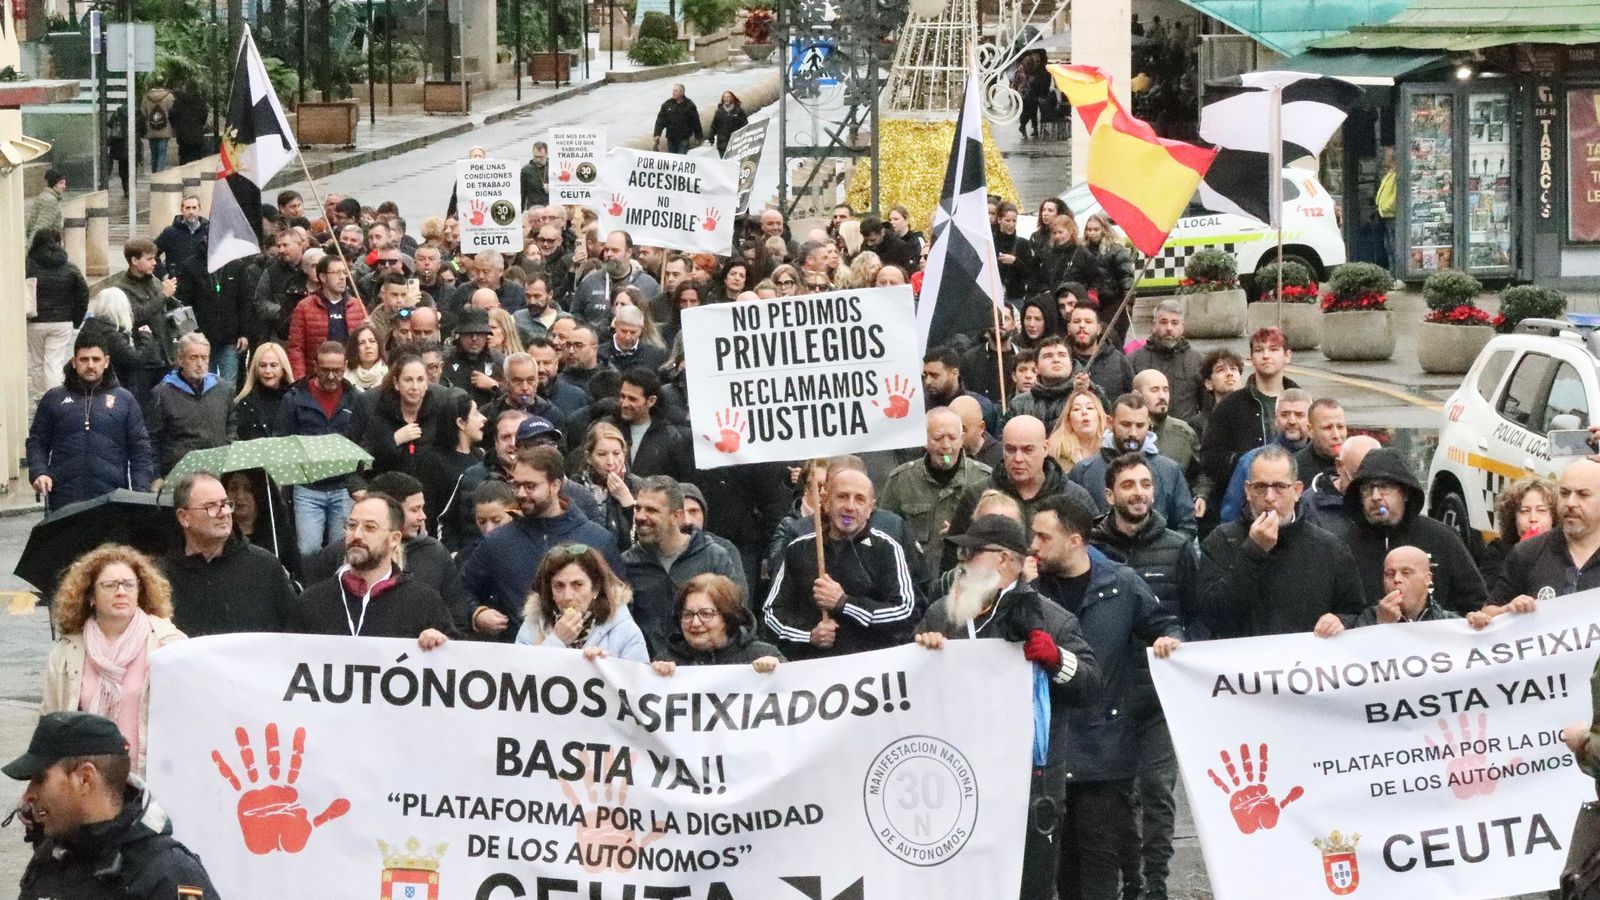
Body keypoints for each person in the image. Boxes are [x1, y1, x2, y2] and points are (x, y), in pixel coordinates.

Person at [914, 513, 1103, 900]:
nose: (962, 562)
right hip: (958, 781)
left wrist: (1057, 660)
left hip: (1031, 787)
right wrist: (922, 654)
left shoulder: (1052, 619)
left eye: (971, 553)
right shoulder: (941, 615)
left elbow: (1090, 686)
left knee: (1028, 889)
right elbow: (912, 690)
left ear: (1003, 559)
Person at [1024, 495, 1181, 900]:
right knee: (1059, 869)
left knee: (1100, 866)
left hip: (1105, 751)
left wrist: (1170, 639)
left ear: (1074, 540)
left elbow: (1163, 623)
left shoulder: (1121, 584)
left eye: (1043, 537)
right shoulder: (1030, 593)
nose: (1033, 545)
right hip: (1049, 751)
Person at [7, 711, 220, 898]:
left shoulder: (167, 874)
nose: (28, 795)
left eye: (39, 779)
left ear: (85, 779)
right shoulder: (51, 857)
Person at [41, 546, 185, 776]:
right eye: (109, 585)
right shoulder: (66, 653)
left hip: (151, 777)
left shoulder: (169, 644)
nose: (121, 592)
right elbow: (50, 721)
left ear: (140, 591)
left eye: (129, 584)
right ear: (90, 596)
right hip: (87, 780)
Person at [1197, 445, 1365, 638]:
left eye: (1279, 487)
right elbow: (1210, 616)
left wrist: (1341, 621)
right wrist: (1253, 551)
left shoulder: (1330, 548)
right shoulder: (1222, 541)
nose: (1269, 498)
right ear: (1248, 490)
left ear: (1297, 490)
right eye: (1260, 487)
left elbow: (1356, 614)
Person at [462, 446, 623, 640]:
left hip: (588, 652)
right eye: (516, 485)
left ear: (555, 486)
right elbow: (460, 592)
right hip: (519, 652)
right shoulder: (498, 542)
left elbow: (620, 603)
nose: (521, 493)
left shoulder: (597, 539)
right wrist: (477, 614)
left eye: (530, 486)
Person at [763, 466, 918, 659]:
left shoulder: (887, 549)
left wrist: (844, 603)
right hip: (814, 667)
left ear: (870, 509)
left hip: (872, 666)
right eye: (842, 497)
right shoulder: (799, 549)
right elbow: (771, 614)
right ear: (826, 502)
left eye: (859, 499)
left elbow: (905, 613)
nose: (850, 507)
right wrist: (809, 635)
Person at [1333, 447, 1486, 614]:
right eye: (1367, 489)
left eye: (1384, 487)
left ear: (1405, 493)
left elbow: (1475, 601)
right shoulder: (1344, 547)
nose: (1375, 497)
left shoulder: (1441, 538)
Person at [289, 494, 453, 647]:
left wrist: (442, 644)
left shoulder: (424, 603)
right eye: (352, 525)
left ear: (394, 539)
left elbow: (456, 657)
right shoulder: (312, 601)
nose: (356, 535)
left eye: (370, 527)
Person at [27, 334, 154, 511]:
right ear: (74, 362)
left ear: (106, 362)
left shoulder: (125, 400)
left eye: (96, 359)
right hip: (64, 501)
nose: (90, 365)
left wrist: (141, 493)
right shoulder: (53, 399)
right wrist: (39, 472)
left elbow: (140, 449)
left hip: (112, 500)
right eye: (84, 360)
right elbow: (37, 442)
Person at [161, 471, 296, 636]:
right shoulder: (161, 578)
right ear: (184, 517)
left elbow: (294, 630)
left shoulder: (265, 567)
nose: (224, 512)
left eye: (225, 504)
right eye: (211, 506)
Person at [623, 476, 747, 653]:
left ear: (677, 516)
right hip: (648, 667)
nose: (640, 516)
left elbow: (737, 618)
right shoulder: (626, 564)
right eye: (638, 508)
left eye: (651, 510)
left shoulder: (714, 557)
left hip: (704, 664)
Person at [880, 407, 994, 579]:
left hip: (967, 581)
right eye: (938, 438)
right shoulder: (902, 480)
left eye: (952, 438)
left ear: (962, 439)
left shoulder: (984, 479)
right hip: (917, 583)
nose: (946, 446)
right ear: (924, 440)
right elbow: (885, 534)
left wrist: (965, 533)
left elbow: (997, 536)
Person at [1197, 328, 1298, 509]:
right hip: (1245, 504)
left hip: (1293, 500)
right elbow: (1210, 459)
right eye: (1259, 350)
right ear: (1251, 358)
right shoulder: (1229, 406)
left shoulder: (1302, 402)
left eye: (1273, 349)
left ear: (1287, 356)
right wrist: (1247, 463)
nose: (1266, 355)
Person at [1069, 393, 1196, 534]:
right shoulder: (1083, 471)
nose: (1133, 433)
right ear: (1110, 423)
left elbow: (1186, 525)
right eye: (1126, 425)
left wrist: (1166, 546)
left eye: (1140, 425)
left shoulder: (1169, 470)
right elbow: (1071, 527)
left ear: (1149, 424)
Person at [1490, 459, 1600, 607]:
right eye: (1564, 493)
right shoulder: (1527, 552)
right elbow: (1489, 612)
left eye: (1583, 494)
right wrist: (1508, 610)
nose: (1571, 503)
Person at [516, 543, 649, 662]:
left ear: (595, 588)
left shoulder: (624, 629)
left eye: (577, 585)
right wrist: (556, 640)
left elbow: (637, 679)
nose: (567, 596)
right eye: (559, 586)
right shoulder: (533, 625)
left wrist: (603, 665)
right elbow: (518, 674)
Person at [144, 333, 234, 477]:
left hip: (216, 471)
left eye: (204, 358)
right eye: (193, 358)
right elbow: (151, 440)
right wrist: (156, 476)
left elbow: (231, 428)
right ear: (180, 360)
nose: (200, 364)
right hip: (178, 474)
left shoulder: (223, 389)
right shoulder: (162, 394)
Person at [652, 574, 782, 673]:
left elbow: (790, 691)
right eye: (687, 614)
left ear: (728, 616)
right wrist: (655, 677)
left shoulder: (762, 654)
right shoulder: (667, 660)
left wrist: (779, 672)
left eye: (706, 614)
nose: (695, 623)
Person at [1218, 388, 1313, 523]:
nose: (1292, 421)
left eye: (1299, 415)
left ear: (1311, 421)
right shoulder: (1251, 460)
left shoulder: (1324, 460)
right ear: (1275, 420)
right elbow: (1231, 514)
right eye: (1285, 415)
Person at [358, 351, 456, 477]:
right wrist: (394, 440)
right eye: (408, 380)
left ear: (427, 384)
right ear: (396, 383)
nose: (415, 387)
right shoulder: (380, 416)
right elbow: (365, 464)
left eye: (420, 380)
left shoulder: (440, 415)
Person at [25, 227, 88, 406]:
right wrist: (76, 319)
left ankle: (42, 396)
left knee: (37, 362)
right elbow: (83, 294)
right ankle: (55, 398)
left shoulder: (28, 265)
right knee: (53, 362)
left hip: (35, 320)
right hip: (62, 321)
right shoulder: (70, 267)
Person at [288, 255, 367, 380]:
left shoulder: (357, 306)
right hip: (317, 377)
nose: (342, 277)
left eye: (344, 272)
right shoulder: (304, 307)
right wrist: (300, 380)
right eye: (336, 273)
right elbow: (296, 348)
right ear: (323, 277)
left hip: (351, 377)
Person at [1127, 300, 1204, 424]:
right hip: (1145, 430)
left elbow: (1206, 407)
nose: (1169, 328)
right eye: (1163, 322)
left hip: (1186, 431)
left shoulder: (1198, 361)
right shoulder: (1133, 360)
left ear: (1182, 327)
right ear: (1154, 326)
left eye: (1174, 323)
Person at [607, 367, 691, 481]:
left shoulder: (671, 437)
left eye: (632, 399)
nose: (624, 404)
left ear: (651, 401)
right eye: (622, 396)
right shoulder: (607, 428)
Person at [571, 422, 641, 551]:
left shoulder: (638, 486)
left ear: (624, 453)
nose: (610, 462)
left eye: (616, 453)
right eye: (602, 454)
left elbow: (647, 536)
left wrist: (628, 502)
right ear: (589, 457)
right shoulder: (574, 488)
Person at [1478, 476, 1557, 586]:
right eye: (1524, 511)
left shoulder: (1563, 554)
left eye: (1541, 510)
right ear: (1513, 518)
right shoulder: (1498, 552)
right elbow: (1491, 590)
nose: (1533, 518)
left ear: (1553, 517)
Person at [1065, 301, 1134, 403]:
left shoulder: (1118, 360)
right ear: (1068, 328)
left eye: (1088, 321)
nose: (1082, 325)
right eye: (1076, 321)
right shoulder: (1060, 360)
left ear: (1099, 329)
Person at [1132, 368, 1197, 474]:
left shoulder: (1184, 432)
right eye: (1154, 390)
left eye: (1165, 390)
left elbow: (1200, 475)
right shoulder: (1127, 432)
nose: (1162, 396)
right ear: (1137, 395)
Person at [1009, 336, 1076, 426]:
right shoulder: (1018, 405)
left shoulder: (1085, 397)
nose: (1056, 360)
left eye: (1062, 355)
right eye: (1048, 356)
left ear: (1071, 364)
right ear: (1037, 367)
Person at [233, 342, 292, 440]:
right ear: (256, 369)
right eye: (263, 365)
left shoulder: (295, 401)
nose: (268, 371)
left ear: (283, 369)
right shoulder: (246, 403)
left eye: (273, 365)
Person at [1046, 389, 1109, 471]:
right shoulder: (1056, 452)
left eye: (1090, 408)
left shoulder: (1111, 448)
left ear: (1100, 417)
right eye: (1076, 409)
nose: (1084, 412)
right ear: (1068, 420)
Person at [1296, 398, 1348, 487]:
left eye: (1340, 427)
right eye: (1327, 428)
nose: (1336, 435)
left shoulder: (1356, 464)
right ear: (1310, 430)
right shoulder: (1295, 468)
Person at [154, 195, 209, 276]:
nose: (191, 211)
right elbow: (151, 254)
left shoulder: (208, 232)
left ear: (199, 209)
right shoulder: (170, 233)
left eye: (194, 208)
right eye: (187, 208)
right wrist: (163, 275)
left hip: (202, 280)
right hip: (177, 280)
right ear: (182, 210)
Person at [653, 83, 703, 154]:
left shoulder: (689, 105)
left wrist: (698, 136)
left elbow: (695, 121)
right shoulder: (667, 104)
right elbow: (660, 120)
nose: (673, 93)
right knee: (673, 157)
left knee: (681, 157)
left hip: (683, 138)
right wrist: (657, 134)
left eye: (675, 91)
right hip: (671, 138)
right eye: (673, 91)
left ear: (682, 92)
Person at [140, 81, 176, 172]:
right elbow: (173, 112)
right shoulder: (169, 96)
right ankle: (159, 175)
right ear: (163, 84)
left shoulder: (146, 96)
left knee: (154, 154)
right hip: (164, 129)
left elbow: (143, 113)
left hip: (151, 128)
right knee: (162, 153)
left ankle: (154, 173)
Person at [24, 169, 66, 243]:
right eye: (61, 183)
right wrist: (32, 244)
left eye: (64, 183)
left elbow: (32, 224)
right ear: (54, 184)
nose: (64, 186)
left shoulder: (44, 196)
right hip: (46, 244)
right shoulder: (50, 201)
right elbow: (42, 225)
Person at [346, 323, 388, 391]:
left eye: (372, 341)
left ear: (379, 345)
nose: (368, 346)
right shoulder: (345, 375)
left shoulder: (389, 374)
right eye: (361, 343)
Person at [709, 91, 749, 156]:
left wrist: (744, 137)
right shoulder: (719, 112)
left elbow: (745, 125)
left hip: (735, 142)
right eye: (724, 97)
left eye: (728, 97)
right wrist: (711, 137)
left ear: (732, 98)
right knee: (724, 160)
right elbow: (714, 125)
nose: (726, 99)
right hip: (722, 144)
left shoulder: (738, 111)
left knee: (732, 161)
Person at [520, 141, 549, 210]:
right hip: (533, 208)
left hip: (550, 208)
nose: (538, 160)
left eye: (541, 157)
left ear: (546, 154)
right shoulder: (526, 170)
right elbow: (522, 193)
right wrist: (522, 211)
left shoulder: (554, 168)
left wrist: (552, 189)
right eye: (536, 157)